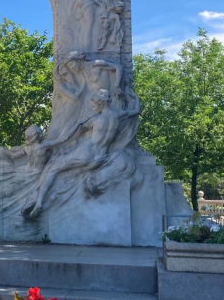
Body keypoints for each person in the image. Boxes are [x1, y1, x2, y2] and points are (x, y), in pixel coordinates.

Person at [26, 90, 140, 219]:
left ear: (100, 103)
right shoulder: (117, 116)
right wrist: (135, 98)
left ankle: (39, 202)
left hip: (86, 152)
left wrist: (61, 138)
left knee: (53, 168)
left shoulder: (94, 119)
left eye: (93, 103)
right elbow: (136, 111)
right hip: (100, 159)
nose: (92, 106)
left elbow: (73, 133)